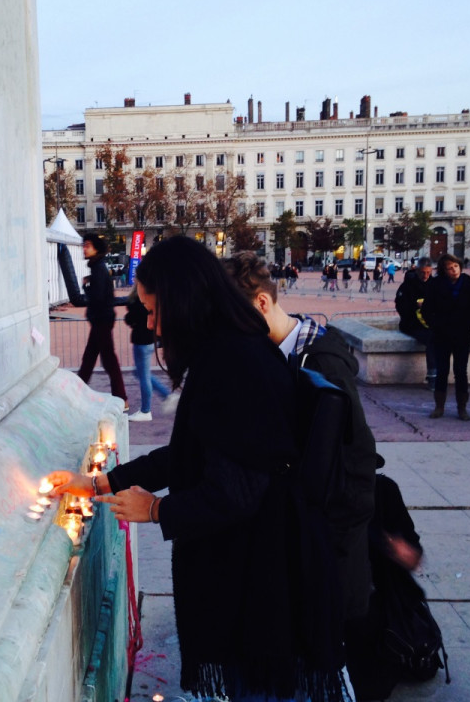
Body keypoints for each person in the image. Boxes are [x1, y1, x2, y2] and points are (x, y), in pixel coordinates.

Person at [47, 236, 347, 701]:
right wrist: (104, 481)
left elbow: (237, 490)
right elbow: (192, 451)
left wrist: (156, 511)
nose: (149, 323)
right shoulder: (229, 349)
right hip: (257, 564)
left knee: (260, 689)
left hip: (262, 577)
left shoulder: (233, 361)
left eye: (151, 308)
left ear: (182, 300)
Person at [223, 251, 384, 628]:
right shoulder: (276, 357)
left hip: (327, 537)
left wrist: (328, 535)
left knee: (327, 650)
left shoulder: (319, 365)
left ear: (262, 303)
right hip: (300, 533)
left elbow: (354, 458)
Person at [344, 475, 425, 701]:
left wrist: (390, 545)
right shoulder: (311, 487)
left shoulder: (382, 490)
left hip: (374, 606)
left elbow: (412, 554)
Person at [421, 255, 470, 420]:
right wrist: (435, 325)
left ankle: (462, 408)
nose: (453, 270)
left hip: (463, 334)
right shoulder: (436, 284)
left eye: (456, 266)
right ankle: (439, 407)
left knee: (461, 371)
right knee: (442, 371)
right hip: (442, 334)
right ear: (444, 270)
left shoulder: (468, 283)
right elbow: (426, 309)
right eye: (449, 267)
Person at [75, 233, 128, 408]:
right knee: (90, 359)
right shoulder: (98, 267)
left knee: (107, 360)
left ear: (96, 248)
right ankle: (77, 393)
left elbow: (97, 298)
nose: (84, 248)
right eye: (84, 245)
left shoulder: (98, 268)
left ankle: (121, 398)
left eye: (87, 245)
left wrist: (86, 286)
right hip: (101, 319)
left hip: (101, 320)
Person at [123, 288, 177, 421]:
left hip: (142, 339)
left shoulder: (141, 298)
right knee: (140, 373)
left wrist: (129, 317)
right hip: (149, 339)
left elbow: (132, 318)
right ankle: (167, 396)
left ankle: (146, 410)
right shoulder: (154, 296)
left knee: (143, 376)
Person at [395, 258, 437, 388]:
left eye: (428, 273)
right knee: (432, 339)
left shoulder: (435, 284)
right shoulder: (407, 285)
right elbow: (400, 306)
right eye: (423, 272)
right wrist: (415, 305)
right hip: (412, 324)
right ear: (417, 270)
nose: (425, 276)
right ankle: (433, 376)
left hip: (431, 323)